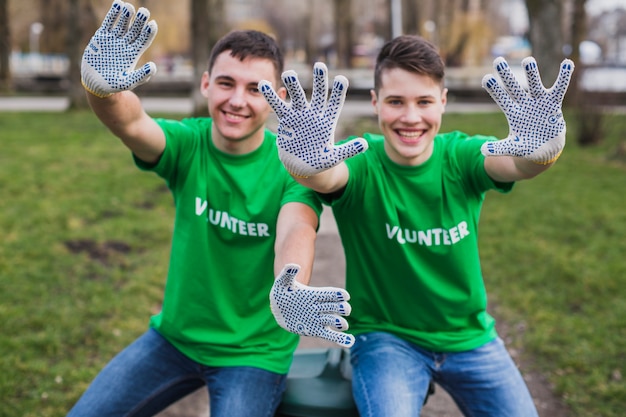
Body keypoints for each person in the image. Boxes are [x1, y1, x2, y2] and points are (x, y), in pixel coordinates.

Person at [259, 35, 574, 416]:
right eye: (395, 101)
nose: (411, 117)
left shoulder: (460, 156)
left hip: (469, 335)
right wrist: (308, 171)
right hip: (386, 339)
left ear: (442, 101)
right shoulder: (361, 160)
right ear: (375, 102)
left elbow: (513, 163)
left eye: (424, 101)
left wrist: (543, 154)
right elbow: (325, 180)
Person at [69, 1, 353, 416]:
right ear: (205, 84)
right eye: (226, 83)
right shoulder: (189, 145)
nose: (238, 100)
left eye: (256, 89)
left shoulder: (293, 165)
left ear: (279, 97)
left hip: (253, 355)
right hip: (174, 340)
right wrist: (103, 91)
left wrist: (290, 285)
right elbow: (131, 123)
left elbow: (297, 230)